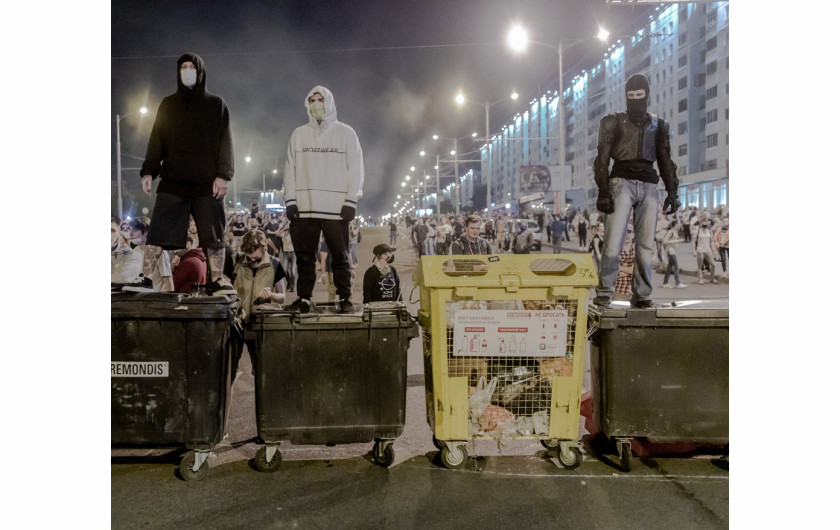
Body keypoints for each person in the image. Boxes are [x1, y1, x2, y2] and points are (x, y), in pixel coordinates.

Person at [138, 52, 234, 295]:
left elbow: (226, 142)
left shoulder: (216, 104)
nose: (188, 71)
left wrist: (224, 175)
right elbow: (156, 139)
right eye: (183, 67)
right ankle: (146, 277)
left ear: (200, 71)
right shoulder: (168, 104)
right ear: (178, 72)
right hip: (174, 180)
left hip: (207, 183)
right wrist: (149, 170)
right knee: (158, 230)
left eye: (192, 66)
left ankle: (218, 280)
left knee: (214, 234)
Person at [592, 73, 681, 309]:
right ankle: (604, 295)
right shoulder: (612, 121)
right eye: (630, 96)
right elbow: (601, 160)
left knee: (645, 247)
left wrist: (672, 191)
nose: (635, 100)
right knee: (612, 244)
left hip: (649, 185)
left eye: (639, 96)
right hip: (620, 182)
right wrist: (603, 191)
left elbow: (665, 160)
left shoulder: (659, 125)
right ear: (625, 97)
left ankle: (642, 295)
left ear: (647, 95)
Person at [284, 85, 364, 314]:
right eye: (312, 100)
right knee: (305, 257)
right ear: (307, 104)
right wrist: (290, 200)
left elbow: (356, 168)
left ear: (329, 103)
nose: (317, 104)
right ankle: (304, 297)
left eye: (321, 99)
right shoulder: (298, 134)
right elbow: (290, 169)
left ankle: (345, 297)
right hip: (305, 206)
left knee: (340, 255)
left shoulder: (346, 133)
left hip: (336, 208)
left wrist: (351, 200)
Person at [230, 229, 286, 375]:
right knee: (229, 369)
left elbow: (282, 297)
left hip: (260, 326)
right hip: (236, 324)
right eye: (249, 258)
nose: (252, 262)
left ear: (264, 248)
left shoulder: (275, 264)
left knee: (261, 372)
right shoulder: (237, 260)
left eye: (256, 258)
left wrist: (271, 295)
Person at [122, 216, 173, 292]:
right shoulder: (135, 251)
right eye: (130, 230)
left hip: (155, 299)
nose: (131, 234)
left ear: (146, 232)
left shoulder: (159, 252)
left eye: (135, 230)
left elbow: (168, 280)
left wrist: (170, 302)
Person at [661, 220, 687, 288]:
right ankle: (677, 283)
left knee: (670, 267)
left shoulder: (675, 232)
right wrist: (677, 240)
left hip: (673, 250)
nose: (680, 225)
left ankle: (665, 283)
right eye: (678, 224)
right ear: (676, 225)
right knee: (676, 266)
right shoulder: (671, 232)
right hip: (670, 251)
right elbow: (665, 241)